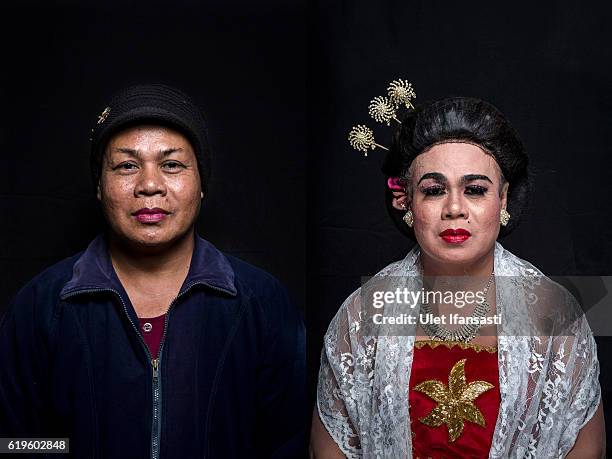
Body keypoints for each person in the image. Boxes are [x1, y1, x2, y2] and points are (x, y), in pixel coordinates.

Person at [0, 84, 306, 458]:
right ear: (100, 185)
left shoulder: (261, 303)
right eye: (127, 165)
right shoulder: (40, 307)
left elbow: (284, 443)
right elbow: (18, 443)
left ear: (201, 184)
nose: (149, 185)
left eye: (171, 164)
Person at [311, 96, 605, 458]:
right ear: (406, 202)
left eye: (475, 189)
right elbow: (330, 447)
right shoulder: (362, 315)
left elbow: (586, 447)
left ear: (504, 199)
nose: (454, 208)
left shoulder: (555, 312)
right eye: (434, 190)